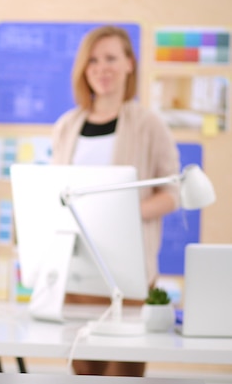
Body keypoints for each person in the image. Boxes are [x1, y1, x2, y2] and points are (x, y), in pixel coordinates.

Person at [51, 25, 180, 377]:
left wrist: (121, 214)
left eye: (111, 58)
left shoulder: (149, 124)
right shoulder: (67, 125)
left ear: (128, 65)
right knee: (84, 374)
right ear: (83, 68)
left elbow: (173, 193)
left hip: (129, 278)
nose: (101, 68)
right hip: (78, 279)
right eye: (93, 60)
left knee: (121, 376)